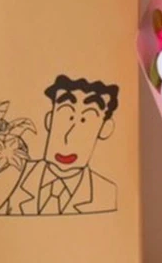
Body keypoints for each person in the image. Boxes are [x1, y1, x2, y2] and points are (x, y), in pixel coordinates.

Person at [7, 75, 119, 215]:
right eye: (66, 115)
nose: (69, 136)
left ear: (105, 129)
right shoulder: (15, 175)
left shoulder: (108, 192)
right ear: (50, 119)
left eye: (84, 120)